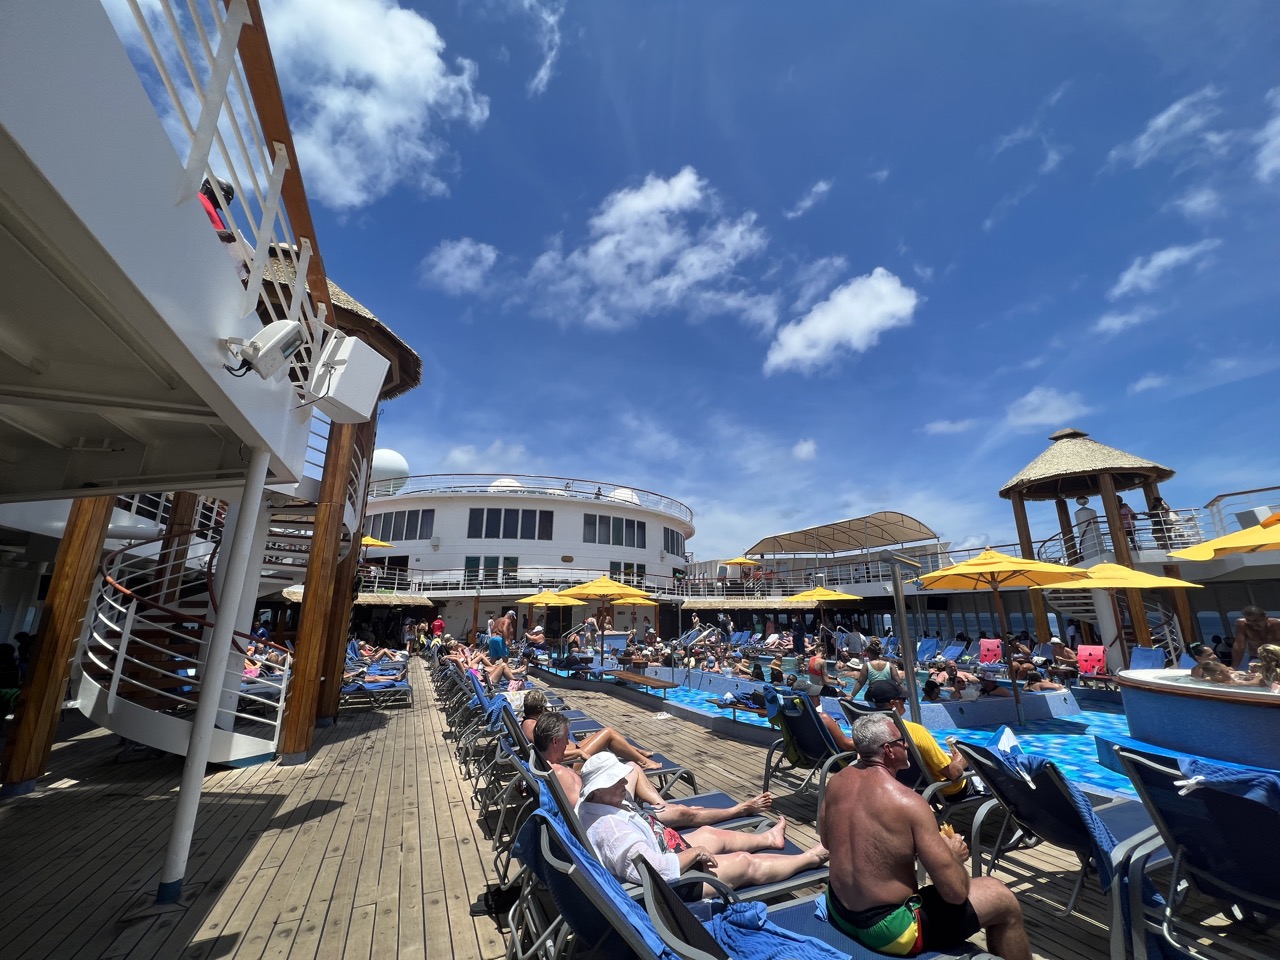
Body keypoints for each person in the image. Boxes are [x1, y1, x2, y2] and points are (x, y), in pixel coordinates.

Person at [819, 715, 1030, 960]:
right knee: (1001, 897)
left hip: (839, 909)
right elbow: (955, 894)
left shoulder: (837, 782)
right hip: (888, 931)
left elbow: (826, 841)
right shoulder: (909, 803)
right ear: (888, 750)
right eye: (902, 741)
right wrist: (954, 856)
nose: (907, 745)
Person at [576, 753, 827, 894]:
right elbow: (657, 872)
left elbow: (631, 769)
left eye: (620, 779)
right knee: (743, 862)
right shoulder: (615, 832)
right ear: (596, 790)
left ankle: (768, 839)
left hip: (659, 848)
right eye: (615, 781)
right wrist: (695, 852)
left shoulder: (596, 804)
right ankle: (810, 859)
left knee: (710, 834)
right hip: (671, 888)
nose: (622, 784)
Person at [533, 711, 774, 818]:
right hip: (607, 813)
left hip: (602, 804)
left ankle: (661, 804)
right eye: (566, 739)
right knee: (684, 814)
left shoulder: (545, 766)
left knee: (634, 768)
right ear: (554, 741)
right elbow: (584, 811)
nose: (569, 743)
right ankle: (739, 810)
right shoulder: (558, 772)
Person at [867, 680, 974, 800]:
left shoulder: (872, 732)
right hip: (944, 790)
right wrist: (963, 757)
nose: (905, 702)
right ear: (893, 703)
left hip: (906, 786)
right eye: (903, 699)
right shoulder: (914, 731)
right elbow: (953, 773)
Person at [522, 693, 662, 769]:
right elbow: (549, 754)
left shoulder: (529, 722)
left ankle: (637, 752)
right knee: (608, 733)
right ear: (540, 709)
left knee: (605, 733)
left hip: (573, 752)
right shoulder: (532, 727)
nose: (547, 710)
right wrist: (577, 752)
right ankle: (643, 762)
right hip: (572, 761)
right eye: (545, 708)